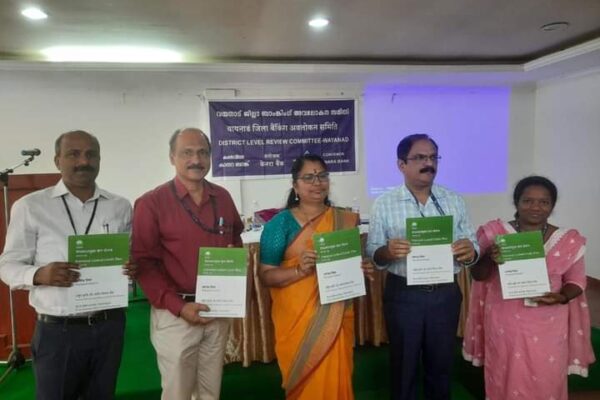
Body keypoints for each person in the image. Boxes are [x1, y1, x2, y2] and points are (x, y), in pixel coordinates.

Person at [0, 130, 133, 400]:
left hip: (109, 326)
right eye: (73, 154)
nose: (84, 161)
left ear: (99, 160)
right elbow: (7, 265)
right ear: (57, 160)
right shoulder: (31, 206)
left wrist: (131, 269)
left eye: (91, 154)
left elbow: (128, 258)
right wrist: (39, 274)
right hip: (58, 332)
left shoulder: (119, 206)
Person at [132, 127, 243, 400]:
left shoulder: (223, 197)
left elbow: (236, 240)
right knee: (178, 394)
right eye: (187, 153)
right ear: (172, 157)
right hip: (176, 315)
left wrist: (232, 257)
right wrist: (180, 307)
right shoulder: (151, 202)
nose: (196, 160)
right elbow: (144, 264)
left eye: (203, 152)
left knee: (210, 392)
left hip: (217, 311)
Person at [366, 134, 479, 400]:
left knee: (441, 365)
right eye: (419, 158)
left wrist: (470, 252)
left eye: (433, 157)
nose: (429, 163)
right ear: (401, 164)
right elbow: (373, 253)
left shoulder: (454, 200)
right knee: (403, 366)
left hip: (445, 294)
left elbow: (473, 246)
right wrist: (387, 251)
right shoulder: (384, 203)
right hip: (404, 295)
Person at [463, 176, 595, 400]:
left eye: (544, 202)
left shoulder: (568, 240)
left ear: (552, 205)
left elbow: (576, 281)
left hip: (549, 323)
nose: (536, 207)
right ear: (516, 202)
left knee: (547, 376)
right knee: (506, 374)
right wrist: (489, 258)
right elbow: (478, 275)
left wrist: (561, 297)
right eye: (528, 201)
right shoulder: (495, 233)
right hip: (505, 322)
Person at [258, 154, 374, 400]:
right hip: (297, 323)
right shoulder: (279, 224)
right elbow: (266, 275)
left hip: (335, 317)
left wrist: (360, 268)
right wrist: (298, 270)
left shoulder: (343, 220)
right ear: (295, 185)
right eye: (308, 177)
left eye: (322, 176)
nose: (317, 182)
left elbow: (348, 267)